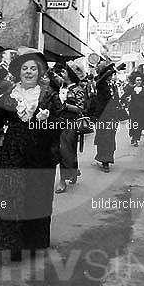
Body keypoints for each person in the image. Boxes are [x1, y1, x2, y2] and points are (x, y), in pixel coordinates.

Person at [0, 47, 62, 262]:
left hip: (40, 154)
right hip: (14, 152)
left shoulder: (49, 96)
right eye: (24, 68)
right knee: (12, 196)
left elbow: (62, 124)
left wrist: (48, 121)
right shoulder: (9, 96)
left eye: (33, 68)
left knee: (36, 197)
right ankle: (12, 244)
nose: (28, 72)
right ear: (19, 72)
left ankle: (34, 242)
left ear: (39, 72)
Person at [55, 62, 86, 193]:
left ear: (71, 75)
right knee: (66, 150)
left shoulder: (78, 89)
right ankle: (73, 170)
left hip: (70, 123)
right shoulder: (61, 86)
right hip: (56, 122)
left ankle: (62, 180)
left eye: (66, 72)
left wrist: (65, 106)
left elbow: (80, 108)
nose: (63, 73)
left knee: (65, 150)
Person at [91, 63, 122, 173]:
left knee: (110, 139)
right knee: (103, 139)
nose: (111, 76)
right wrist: (112, 69)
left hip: (112, 116)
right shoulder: (100, 84)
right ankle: (105, 162)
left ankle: (107, 159)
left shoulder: (112, 85)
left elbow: (116, 100)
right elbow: (102, 79)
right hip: (102, 117)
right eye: (109, 73)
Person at [121, 72, 144, 146]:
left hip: (141, 111)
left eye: (140, 80)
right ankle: (133, 136)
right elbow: (123, 97)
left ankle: (136, 139)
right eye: (137, 80)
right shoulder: (131, 89)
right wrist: (125, 101)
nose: (139, 82)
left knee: (139, 125)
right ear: (134, 81)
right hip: (133, 110)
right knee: (133, 124)